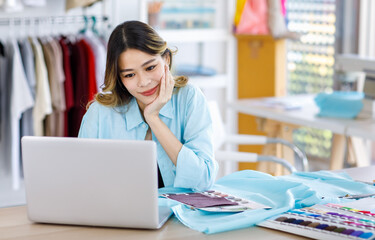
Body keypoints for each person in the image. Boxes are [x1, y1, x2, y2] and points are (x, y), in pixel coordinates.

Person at [78, 21, 218, 191]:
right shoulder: (99, 114)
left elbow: (203, 181)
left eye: (150, 67)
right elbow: (83, 185)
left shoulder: (189, 98)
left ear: (166, 59)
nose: (143, 82)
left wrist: (153, 119)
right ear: (119, 78)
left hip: (179, 215)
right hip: (117, 215)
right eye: (130, 75)